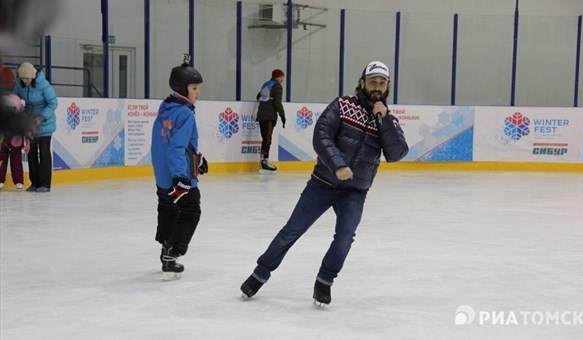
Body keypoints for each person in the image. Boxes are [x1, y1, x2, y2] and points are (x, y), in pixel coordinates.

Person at [240, 61, 409, 306]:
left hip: (355, 191)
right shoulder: (343, 105)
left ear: (387, 87)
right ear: (362, 83)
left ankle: (324, 282)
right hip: (323, 183)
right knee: (292, 230)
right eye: (372, 82)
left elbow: (396, 154)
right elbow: (322, 135)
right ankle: (260, 273)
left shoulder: (387, 121)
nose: (377, 87)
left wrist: (382, 120)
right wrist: (338, 164)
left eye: (382, 83)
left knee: (345, 237)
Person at [151, 55, 208, 281]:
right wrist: (181, 178)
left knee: (168, 208)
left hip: (162, 176)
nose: (198, 92)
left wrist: (198, 160)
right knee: (191, 211)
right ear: (181, 88)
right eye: (194, 88)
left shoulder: (166, 107)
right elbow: (176, 148)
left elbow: (166, 145)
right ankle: (173, 254)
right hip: (179, 176)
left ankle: (165, 246)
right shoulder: (185, 114)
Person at [12, 62, 57, 193]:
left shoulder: (44, 85)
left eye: (27, 78)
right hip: (29, 123)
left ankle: (45, 184)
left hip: (45, 123)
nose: (24, 81)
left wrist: (41, 117)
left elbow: (53, 103)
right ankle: (34, 183)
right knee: (30, 153)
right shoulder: (19, 84)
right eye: (22, 78)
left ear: (32, 76)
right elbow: (15, 98)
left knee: (43, 152)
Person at [255, 68, 286, 172]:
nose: (282, 79)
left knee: (265, 138)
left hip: (261, 115)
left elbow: (258, 96)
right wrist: (283, 116)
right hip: (269, 115)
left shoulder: (266, 84)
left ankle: (263, 161)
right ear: (277, 77)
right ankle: (264, 162)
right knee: (267, 139)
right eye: (281, 77)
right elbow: (277, 103)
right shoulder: (277, 86)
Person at [0, 93, 28, 190]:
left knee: (16, 162)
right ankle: (0, 180)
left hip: (16, 142)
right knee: (1, 161)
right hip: (3, 142)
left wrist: (27, 142)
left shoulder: (21, 116)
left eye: (12, 108)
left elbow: (26, 129)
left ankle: (18, 181)